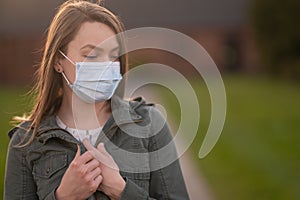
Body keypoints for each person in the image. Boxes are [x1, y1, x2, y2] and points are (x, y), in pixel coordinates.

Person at [4, 0, 189, 199]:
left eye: (113, 55)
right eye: (91, 55)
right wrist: (63, 196)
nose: (105, 65)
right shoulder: (25, 142)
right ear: (58, 61)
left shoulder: (150, 124)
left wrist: (121, 190)